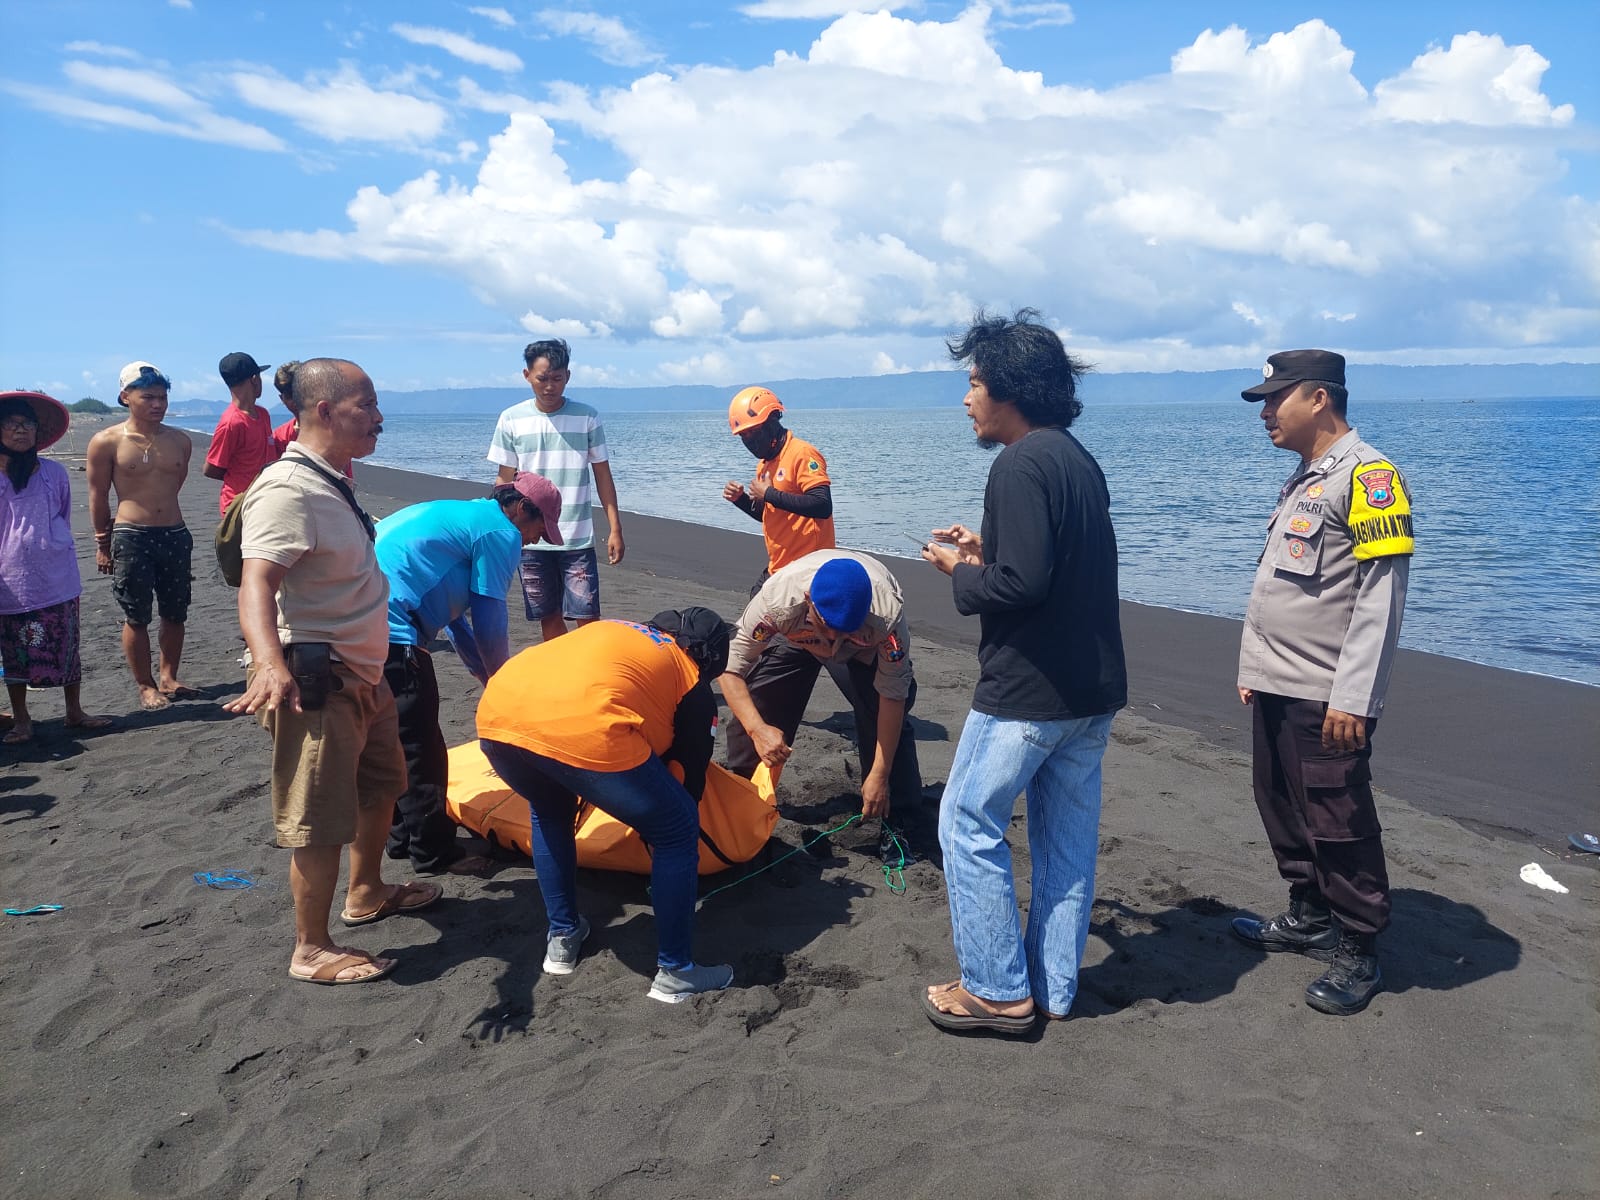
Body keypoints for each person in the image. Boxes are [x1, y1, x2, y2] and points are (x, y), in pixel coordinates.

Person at [918, 308, 1126, 1035]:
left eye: (973, 384)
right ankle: (1055, 988)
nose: (968, 399)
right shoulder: (1072, 456)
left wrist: (958, 572)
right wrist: (987, 549)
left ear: (1007, 389)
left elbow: (1021, 587)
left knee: (967, 820)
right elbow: (1052, 565)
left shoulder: (1019, 462)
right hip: (1091, 689)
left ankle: (998, 990)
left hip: (1029, 693)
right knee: (1065, 843)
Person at [223, 358, 439, 986]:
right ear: (324, 411)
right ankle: (310, 949)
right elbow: (258, 582)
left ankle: (366, 891)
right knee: (317, 817)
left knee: (381, 786)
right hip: (316, 680)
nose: (378, 416)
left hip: (364, 673)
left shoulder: (330, 479)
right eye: (366, 405)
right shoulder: (288, 489)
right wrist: (268, 661)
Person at [1232, 349, 1414, 1017]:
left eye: (1276, 399)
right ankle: (1309, 912)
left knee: (1338, 818)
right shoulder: (1306, 477)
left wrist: (1354, 697)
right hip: (1280, 682)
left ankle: (1359, 945)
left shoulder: (1370, 477)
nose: (1265, 413)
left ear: (1319, 399)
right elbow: (1285, 582)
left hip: (1326, 691)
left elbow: (1379, 597)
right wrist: (1255, 669)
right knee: (1279, 801)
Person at [476, 610, 736, 1003]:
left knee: (549, 810)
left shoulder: (616, 630)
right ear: (711, 658)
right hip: (583, 727)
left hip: (498, 715)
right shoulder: (690, 680)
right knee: (678, 829)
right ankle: (676, 972)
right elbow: (686, 787)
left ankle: (562, 938)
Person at [373, 474, 563, 875]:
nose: (536, 540)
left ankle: (402, 839)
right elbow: (492, 622)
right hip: (391, 627)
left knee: (390, 738)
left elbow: (460, 626)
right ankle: (434, 852)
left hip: (359, 624)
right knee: (422, 747)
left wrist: (491, 684)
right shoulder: (500, 532)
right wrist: (507, 689)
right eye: (540, 528)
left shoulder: (469, 518)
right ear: (521, 509)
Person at [720, 550, 923, 823]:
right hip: (798, 636)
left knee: (882, 720)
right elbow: (730, 666)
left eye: (845, 631)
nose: (834, 641)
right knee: (760, 703)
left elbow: (892, 695)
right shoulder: (778, 599)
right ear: (808, 600)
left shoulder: (886, 617)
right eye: (828, 627)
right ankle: (742, 793)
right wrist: (758, 730)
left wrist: (879, 774)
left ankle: (894, 818)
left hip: (863, 650)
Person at [486, 338, 624, 641]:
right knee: (548, 617)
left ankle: (589, 676)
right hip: (530, 540)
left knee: (587, 618)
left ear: (568, 376)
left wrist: (615, 528)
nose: (550, 386)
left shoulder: (587, 416)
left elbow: (602, 475)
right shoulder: (511, 419)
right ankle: (564, 678)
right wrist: (500, 532)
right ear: (527, 376)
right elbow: (503, 483)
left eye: (557, 378)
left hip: (577, 537)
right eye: (542, 378)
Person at [0, 392, 115, 745]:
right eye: (12, 425)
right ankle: (22, 719)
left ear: (37, 431)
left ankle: (74, 711)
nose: (21, 432)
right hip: (9, 579)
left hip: (57, 576)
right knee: (14, 653)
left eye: (27, 424)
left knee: (67, 647)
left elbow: (61, 516)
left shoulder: (54, 473)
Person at [86, 362, 197, 712]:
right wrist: (103, 543)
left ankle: (169, 677)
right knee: (136, 615)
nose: (157, 404)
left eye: (162, 397)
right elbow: (98, 496)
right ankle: (145, 685)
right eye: (148, 396)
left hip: (175, 533)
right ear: (125, 397)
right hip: (132, 535)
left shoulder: (180, 441)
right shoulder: (106, 442)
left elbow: (173, 487)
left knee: (176, 611)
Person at [720, 386, 835, 584]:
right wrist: (740, 500)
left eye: (753, 431)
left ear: (772, 421)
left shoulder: (802, 454)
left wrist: (769, 493)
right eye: (743, 436)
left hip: (808, 571)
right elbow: (769, 516)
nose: (749, 440)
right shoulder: (765, 465)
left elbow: (822, 505)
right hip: (779, 568)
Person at [205, 351, 278, 515]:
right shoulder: (232, 422)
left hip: (266, 500)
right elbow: (211, 468)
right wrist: (241, 478)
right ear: (254, 380)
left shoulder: (263, 414)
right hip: (240, 506)